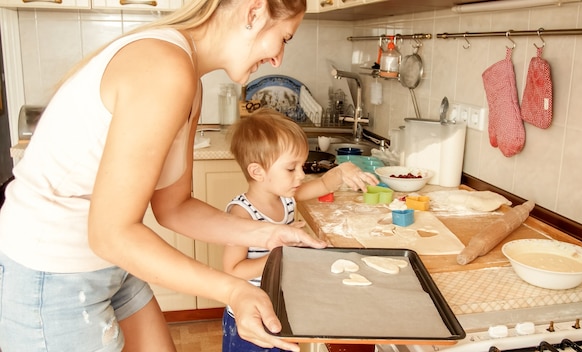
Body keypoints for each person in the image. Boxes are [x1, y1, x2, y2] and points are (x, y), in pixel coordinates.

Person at [0, 0, 328, 351]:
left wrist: (271, 234)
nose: (278, 59)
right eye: (285, 38)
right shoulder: (165, 68)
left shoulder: (189, 78)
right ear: (254, 12)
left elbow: (174, 207)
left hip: (108, 265)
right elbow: (110, 234)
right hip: (52, 272)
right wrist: (233, 289)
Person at [222, 110, 379, 352]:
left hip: (282, 308)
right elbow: (234, 270)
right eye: (291, 169)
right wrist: (281, 252)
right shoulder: (241, 214)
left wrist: (341, 172)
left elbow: (323, 184)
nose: (301, 175)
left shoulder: (286, 198)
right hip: (251, 317)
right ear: (257, 172)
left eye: (301, 166)